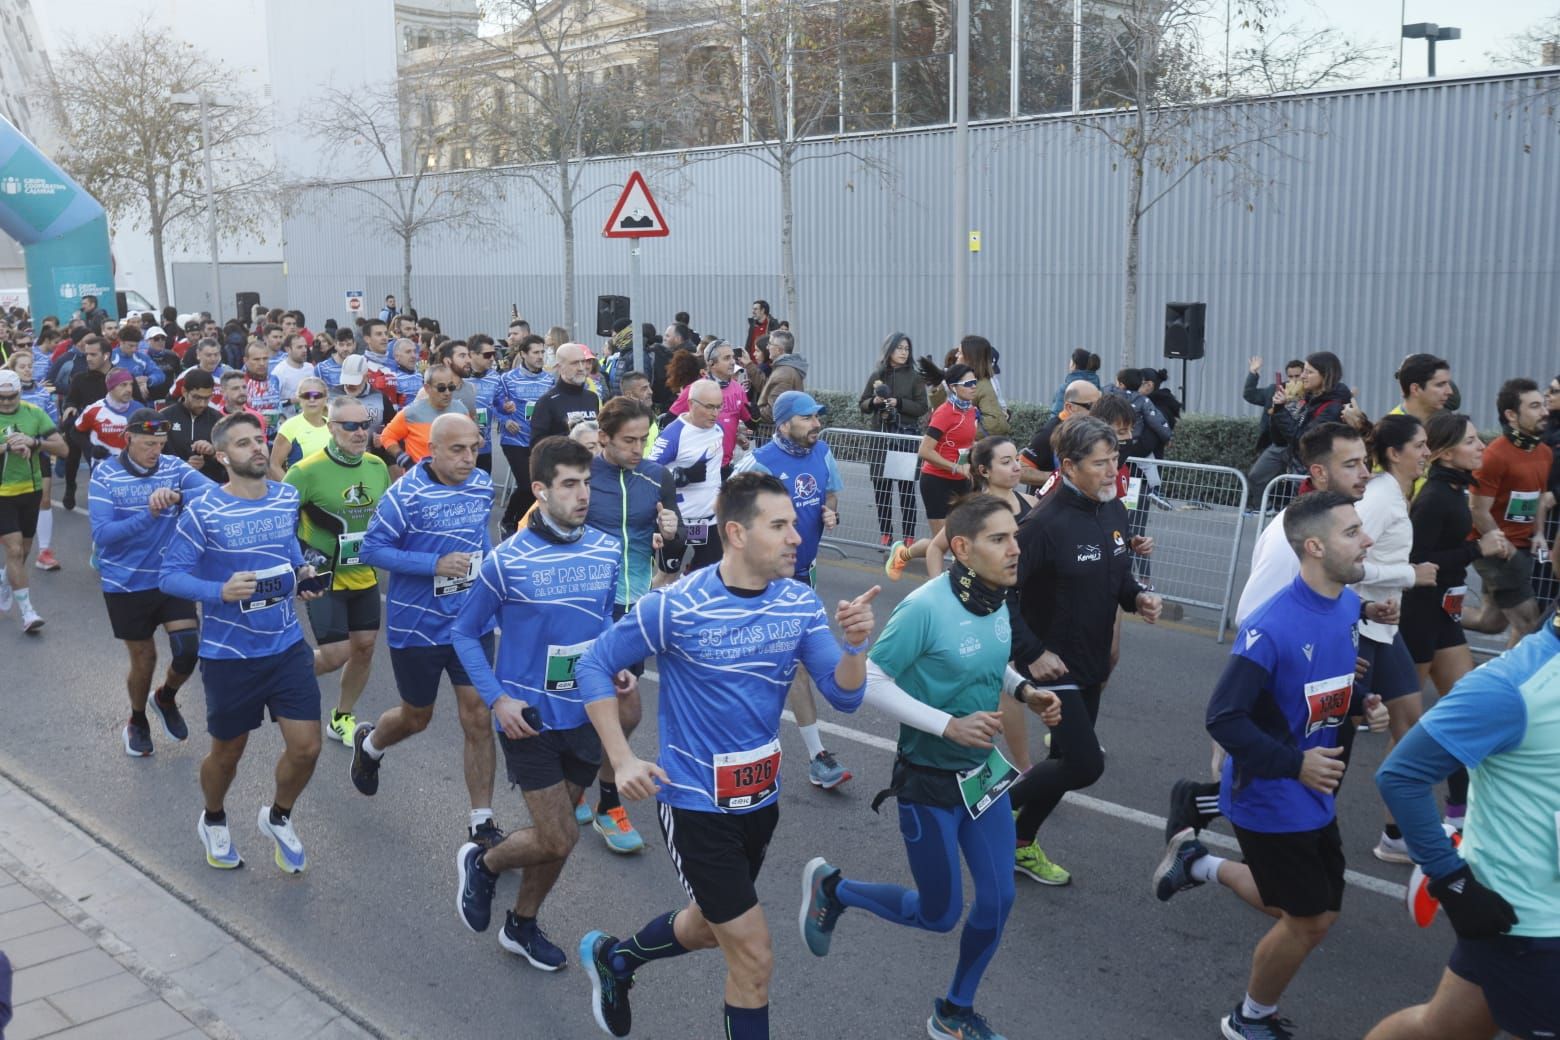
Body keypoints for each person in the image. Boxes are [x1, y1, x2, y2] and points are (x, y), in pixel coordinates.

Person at [573, 472, 879, 1040]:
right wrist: (621, 759)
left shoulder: (799, 603)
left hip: (760, 802)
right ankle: (619, 962)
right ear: (736, 533)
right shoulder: (675, 606)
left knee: (713, 928)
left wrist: (856, 646)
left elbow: (845, 696)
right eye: (780, 525)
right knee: (754, 957)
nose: (797, 536)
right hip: (695, 805)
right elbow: (593, 665)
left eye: (796, 524)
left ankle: (617, 960)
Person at [802, 495, 1058, 1040]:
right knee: (940, 914)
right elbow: (869, 681)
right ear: (962, 548)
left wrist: (1025, 690)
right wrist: (947, 725)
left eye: (1015, 536)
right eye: (1000, 539)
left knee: (998, 898)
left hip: (981, 776)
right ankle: (834, 890)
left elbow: (986, 663)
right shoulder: (925, 607)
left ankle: (954, 1010)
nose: (1016, 549)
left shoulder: (997, 601)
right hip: (928, 782)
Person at [1153, 490, 1388, 1040]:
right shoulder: (1271, 626)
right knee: (1307, 920)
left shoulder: (1347, 606)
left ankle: (1197, 865)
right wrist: (1295, 765)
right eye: (1351, 532)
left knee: (1318, 909)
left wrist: (1361, 706)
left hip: (1313, 791)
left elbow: (1326, 688)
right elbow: (1224, 717)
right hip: (1270, 795)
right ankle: (1249, 1018)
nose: (1367, 540)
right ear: (1313, 547)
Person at [452, 436, 629, 969]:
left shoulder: (606, 548)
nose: (582, 495)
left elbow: (604, 619)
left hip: (587, 712)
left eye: (587, 484)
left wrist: (614, 660)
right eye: (569, 485)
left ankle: (521, 925)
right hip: (528, 720)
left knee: (561, 842)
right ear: (540, 490)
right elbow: (464, 633)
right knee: (559, 833)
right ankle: (484, 863)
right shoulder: (506, 562)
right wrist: (498, 700)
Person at [1366, 613, 1560, 1040]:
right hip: (1532, 924)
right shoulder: (1513, 685)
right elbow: (1401, 776)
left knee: (1442, 1028)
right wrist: (1451, 881)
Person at [159, 412, 327, 873]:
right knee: (228, 753)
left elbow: (289, 552)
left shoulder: (286, 496)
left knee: (307, 747)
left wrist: (304, 573)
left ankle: (278, 816)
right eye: (243, 443)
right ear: (222, 456)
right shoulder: (204, 510)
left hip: (286, 643)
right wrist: (219, 592)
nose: (257, 448)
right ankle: (213, 818)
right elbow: (170, 575)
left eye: (260, 439)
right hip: (230, 654)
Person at [1004, 416, 1160, 886]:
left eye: (1115, 460)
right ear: (1069, 466)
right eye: (1100, 463)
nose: (1113, 470)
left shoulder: (1113, 508)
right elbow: (1001, 592)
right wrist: (1030, 652)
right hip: (1053, 663)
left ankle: (1020, 844)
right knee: (1086, 764)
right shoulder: (1041, 523)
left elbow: (1117, 574)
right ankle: (982, 808)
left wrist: (1138, 597)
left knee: (1066, 762)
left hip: (1091, 662)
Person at [353, 413, 505, 850]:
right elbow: (372, 549)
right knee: (417, 717)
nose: (467, 457)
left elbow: (481, 539)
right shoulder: (405, 495)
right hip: (417, 625)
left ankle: (482, 822)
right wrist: (432, 565)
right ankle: (372, 746)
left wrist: (494, 579)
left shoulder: (479, 484)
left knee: (478, 715)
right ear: (431, 450)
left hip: (470, 622)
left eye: (473, 447)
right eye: (456, 449)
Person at [578, 397, 682, 852]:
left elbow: (673, 560)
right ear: (603, 438)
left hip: (631, 607)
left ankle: (603, 799)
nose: (639, 448)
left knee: (627, 710)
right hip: (580, 605)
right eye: (629, 440)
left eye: (644, 439)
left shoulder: (657, 477)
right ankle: (591, 792)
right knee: (578, 707)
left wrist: (674, 538)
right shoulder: (580, 475)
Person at [735, 391, 853, 790]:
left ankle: (813, 756)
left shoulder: (822, 453)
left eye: (817, 417)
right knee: (780, 662)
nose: (816, 424)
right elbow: (729, 512)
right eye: (807, 418)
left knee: (793, 661)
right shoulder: (759, 463)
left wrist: (829, 510)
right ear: (784, 424)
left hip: (805, 572)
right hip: (767, 578)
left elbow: (830, 490)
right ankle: (774, 751)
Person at [1402, 414, 1508, 829]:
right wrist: (1477, 549)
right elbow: (1415, 564)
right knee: (1400, 725)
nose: (1482, 445)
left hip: (1444, 614)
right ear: (1445, 452)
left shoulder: (1454, 488)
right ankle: (1396, 831)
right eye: (1472, 440)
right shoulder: (1433, 498)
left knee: (1468, 713)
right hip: (1419, 615)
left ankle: (1460, 814)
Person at [89, 409, 209, 756]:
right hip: (125, 583)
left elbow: (214, 494)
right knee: (145, 659)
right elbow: (104, 534)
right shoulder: (106, 475)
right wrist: (149, 514)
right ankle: (137, 720)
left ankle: (166, 697)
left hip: (169, 576)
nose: (155, 450)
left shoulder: (173, 467)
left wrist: (180, 497)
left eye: (159, 443)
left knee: (188, 648)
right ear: (128, 438)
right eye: (147, 444)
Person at [1354, 413, 1438, 864]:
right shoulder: (1379, 498)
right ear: (1394, 453)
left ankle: (1397, 835)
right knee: (1331, 738)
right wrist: (1409, 575)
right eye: (1420, 445)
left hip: (1384, 629)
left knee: (1410, 725)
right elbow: (1344, 561)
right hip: (1358, 629)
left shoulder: (1397, 495)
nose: (1427, 452)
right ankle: (1281, 831)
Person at [284, 396, 390, 748]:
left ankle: (341, 717)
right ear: (331, 427)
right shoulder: (305, 471)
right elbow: (281, 523)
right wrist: (300, 565)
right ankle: (279, 679)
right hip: (322, 574)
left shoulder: (377, 466)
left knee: (364, 647)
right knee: (334, 655)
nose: (360, 432)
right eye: (351, 426)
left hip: (363, 573)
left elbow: (384, 521)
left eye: (365, 425)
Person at [1460, 378, 1550, 645]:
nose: (1544, 411)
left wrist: (1539, 534)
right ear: (1511, 415)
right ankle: (1514, 684)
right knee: (1528, 623)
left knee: (1491, 622)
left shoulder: (1543, 451)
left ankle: (1430, 613)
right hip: (1496, 549)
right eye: (1534, 406)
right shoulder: (1494, 455)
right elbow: (1478, 509)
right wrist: (1504, 546)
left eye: (1543, 404)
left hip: (1523, 545)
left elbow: (1539, 498)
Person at [0, 369, 67, 632]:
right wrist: (8, 446)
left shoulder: (32, 412)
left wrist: (34, 442)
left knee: (24, 552)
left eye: (11, 397)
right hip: (2, 493)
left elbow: (62, 448)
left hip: (31, 490)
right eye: (1, 398)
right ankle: (28, 612)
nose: (5, 402)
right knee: (14, 550)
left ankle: (5, 580)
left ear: (20, 392)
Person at [858, 332, 930, 545]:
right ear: (889, 350)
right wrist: (875, 402)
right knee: (882, 490)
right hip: (881, 439)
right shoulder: (877, 375)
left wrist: (898, 403)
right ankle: (886, 534)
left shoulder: (916, 377)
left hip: (904, 439)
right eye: (899, 348)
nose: (903, 352)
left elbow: (922, 407)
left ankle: (908, 536)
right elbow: (862, 404)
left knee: (906, 491)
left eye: (906, 349)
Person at [649, 378, 725, 574]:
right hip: (679, 522)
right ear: (691, 404)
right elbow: (648, 472)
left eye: (719, 407)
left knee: (709, 576)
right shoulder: (674, 434)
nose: (715, 413)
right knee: (667, 577)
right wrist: (680, 475)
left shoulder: (718, 430)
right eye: (709, 407)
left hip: (710, 520)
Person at [6, 351, 61, 570]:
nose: (28, 369)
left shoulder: (42, 393)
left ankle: (44, 551)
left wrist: (36, 441)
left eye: (30, 365)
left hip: (38, 453)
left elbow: (53, 423)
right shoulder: (6, 394)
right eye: (23, 366)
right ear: (13, 370)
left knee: (44, 499)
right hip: (9, 459)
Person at [496, 334, 555, 532]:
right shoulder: (507, 379)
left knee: (538, 486)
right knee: (526, 484)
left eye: (542, 352)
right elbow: (494, 406)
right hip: (514, 440)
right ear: (523, 354)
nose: (540, 356)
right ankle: (508, 520)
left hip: (540, 441)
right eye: (535, 352)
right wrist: (505, 419)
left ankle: (523, 522)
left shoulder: (549, 380)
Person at [669, 340, 752, 478]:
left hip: (725, 465)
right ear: (711, 363)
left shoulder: (738, 388)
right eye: (726, 358)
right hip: (699, 467)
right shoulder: (696, 388)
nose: (732, 362)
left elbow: (749, 422)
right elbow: (670, 421)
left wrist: (740, 432)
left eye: (733, 357)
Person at [917, 363, 980, 537]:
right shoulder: (944, 412)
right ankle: (903, 554)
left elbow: (965, 442)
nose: (973, 386)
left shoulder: (971, 410)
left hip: (962, 480)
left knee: (964, 537)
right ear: (953, 387)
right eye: (968, 384)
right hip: (937, 481)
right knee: (942, 541)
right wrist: (955, 467)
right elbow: (924, 451)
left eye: (975, 382)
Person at [1269, 351, 1351, 474]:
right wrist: (1279, 407)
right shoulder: (1310, 399)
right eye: (1304, 371)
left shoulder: (1333, 408)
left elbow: (1303, 440)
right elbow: (1280, 439)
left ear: (1325, 376)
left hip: (1313, 474)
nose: (1303, 376)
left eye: (1309, 372)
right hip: (1299, 469)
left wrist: (1281, 411)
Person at [1244, 357, 1307, 509]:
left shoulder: (1311, 394)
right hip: (1278, 444)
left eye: (1297, 376)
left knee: (1299, 483)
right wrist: (1253, 373)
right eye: (1290, 376)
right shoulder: (1276, 390)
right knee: (1256, 475)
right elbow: (1250, 394)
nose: (1293, 380)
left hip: (1300, 446)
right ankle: (1263, 507)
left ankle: (1295, 513)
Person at [381, 363, 469, 470]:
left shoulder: (461, 409)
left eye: (451, 387)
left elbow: (471, 438)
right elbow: (386, 436)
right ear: (427, 388)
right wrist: (403, 459)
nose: (447, 392)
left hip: (453, 477)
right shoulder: (411, 413)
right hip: (420, 479)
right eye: (441, 388)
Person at [1019, 378, 1100, 488]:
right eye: (1092, 407)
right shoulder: (1048, 433)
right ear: (1070, 407)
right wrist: (1062, 478)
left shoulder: (1093, 429)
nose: (1098, 413)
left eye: (1100, 406)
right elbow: (1022, 472)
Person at [268, 376, 331, 478]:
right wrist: (293, 491)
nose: (312, 399)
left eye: (317, 395)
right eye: (306, 396)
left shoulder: (334, 426)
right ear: (299, 398)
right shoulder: (289, 427)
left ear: (326, 398)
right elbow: (274, 466)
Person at [952, 335, 1009, 436]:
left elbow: (997, 425)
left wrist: (962, 430)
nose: (956, 355)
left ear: (970, 358)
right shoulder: (960, 381)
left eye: (960, 353)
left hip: (971, 447)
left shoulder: (983, 386)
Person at [467, 333, 502, 474]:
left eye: (494, 354)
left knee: (483, 485)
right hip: (462, 445)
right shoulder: (459, 375)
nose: (492, 358)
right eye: (487, 355)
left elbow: (499, 403)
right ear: (472, 354)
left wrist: (505, 407)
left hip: (485, 445)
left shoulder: (495, 377)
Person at [756, 330, 805, 422]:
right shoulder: (785, 369)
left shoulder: (783, 374)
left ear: (779, 350)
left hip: (776, 431)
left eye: (770, 344)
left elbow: (772, 412)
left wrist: (752, 413)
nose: (767, 347)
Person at [1048, 348, 1101, 416]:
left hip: (1070, 426)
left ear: (1073, 365)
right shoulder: (1099, 390)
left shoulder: (1065, 389)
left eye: (1070, 362)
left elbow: (1055, 417)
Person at [272, 333, 316, 405]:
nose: (304, 350)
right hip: (288, 415)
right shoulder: (279, 372)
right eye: (299, 347)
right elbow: (272, 402)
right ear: (288, 349)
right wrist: (291, 401)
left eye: (305, 346)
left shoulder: (310, 368)